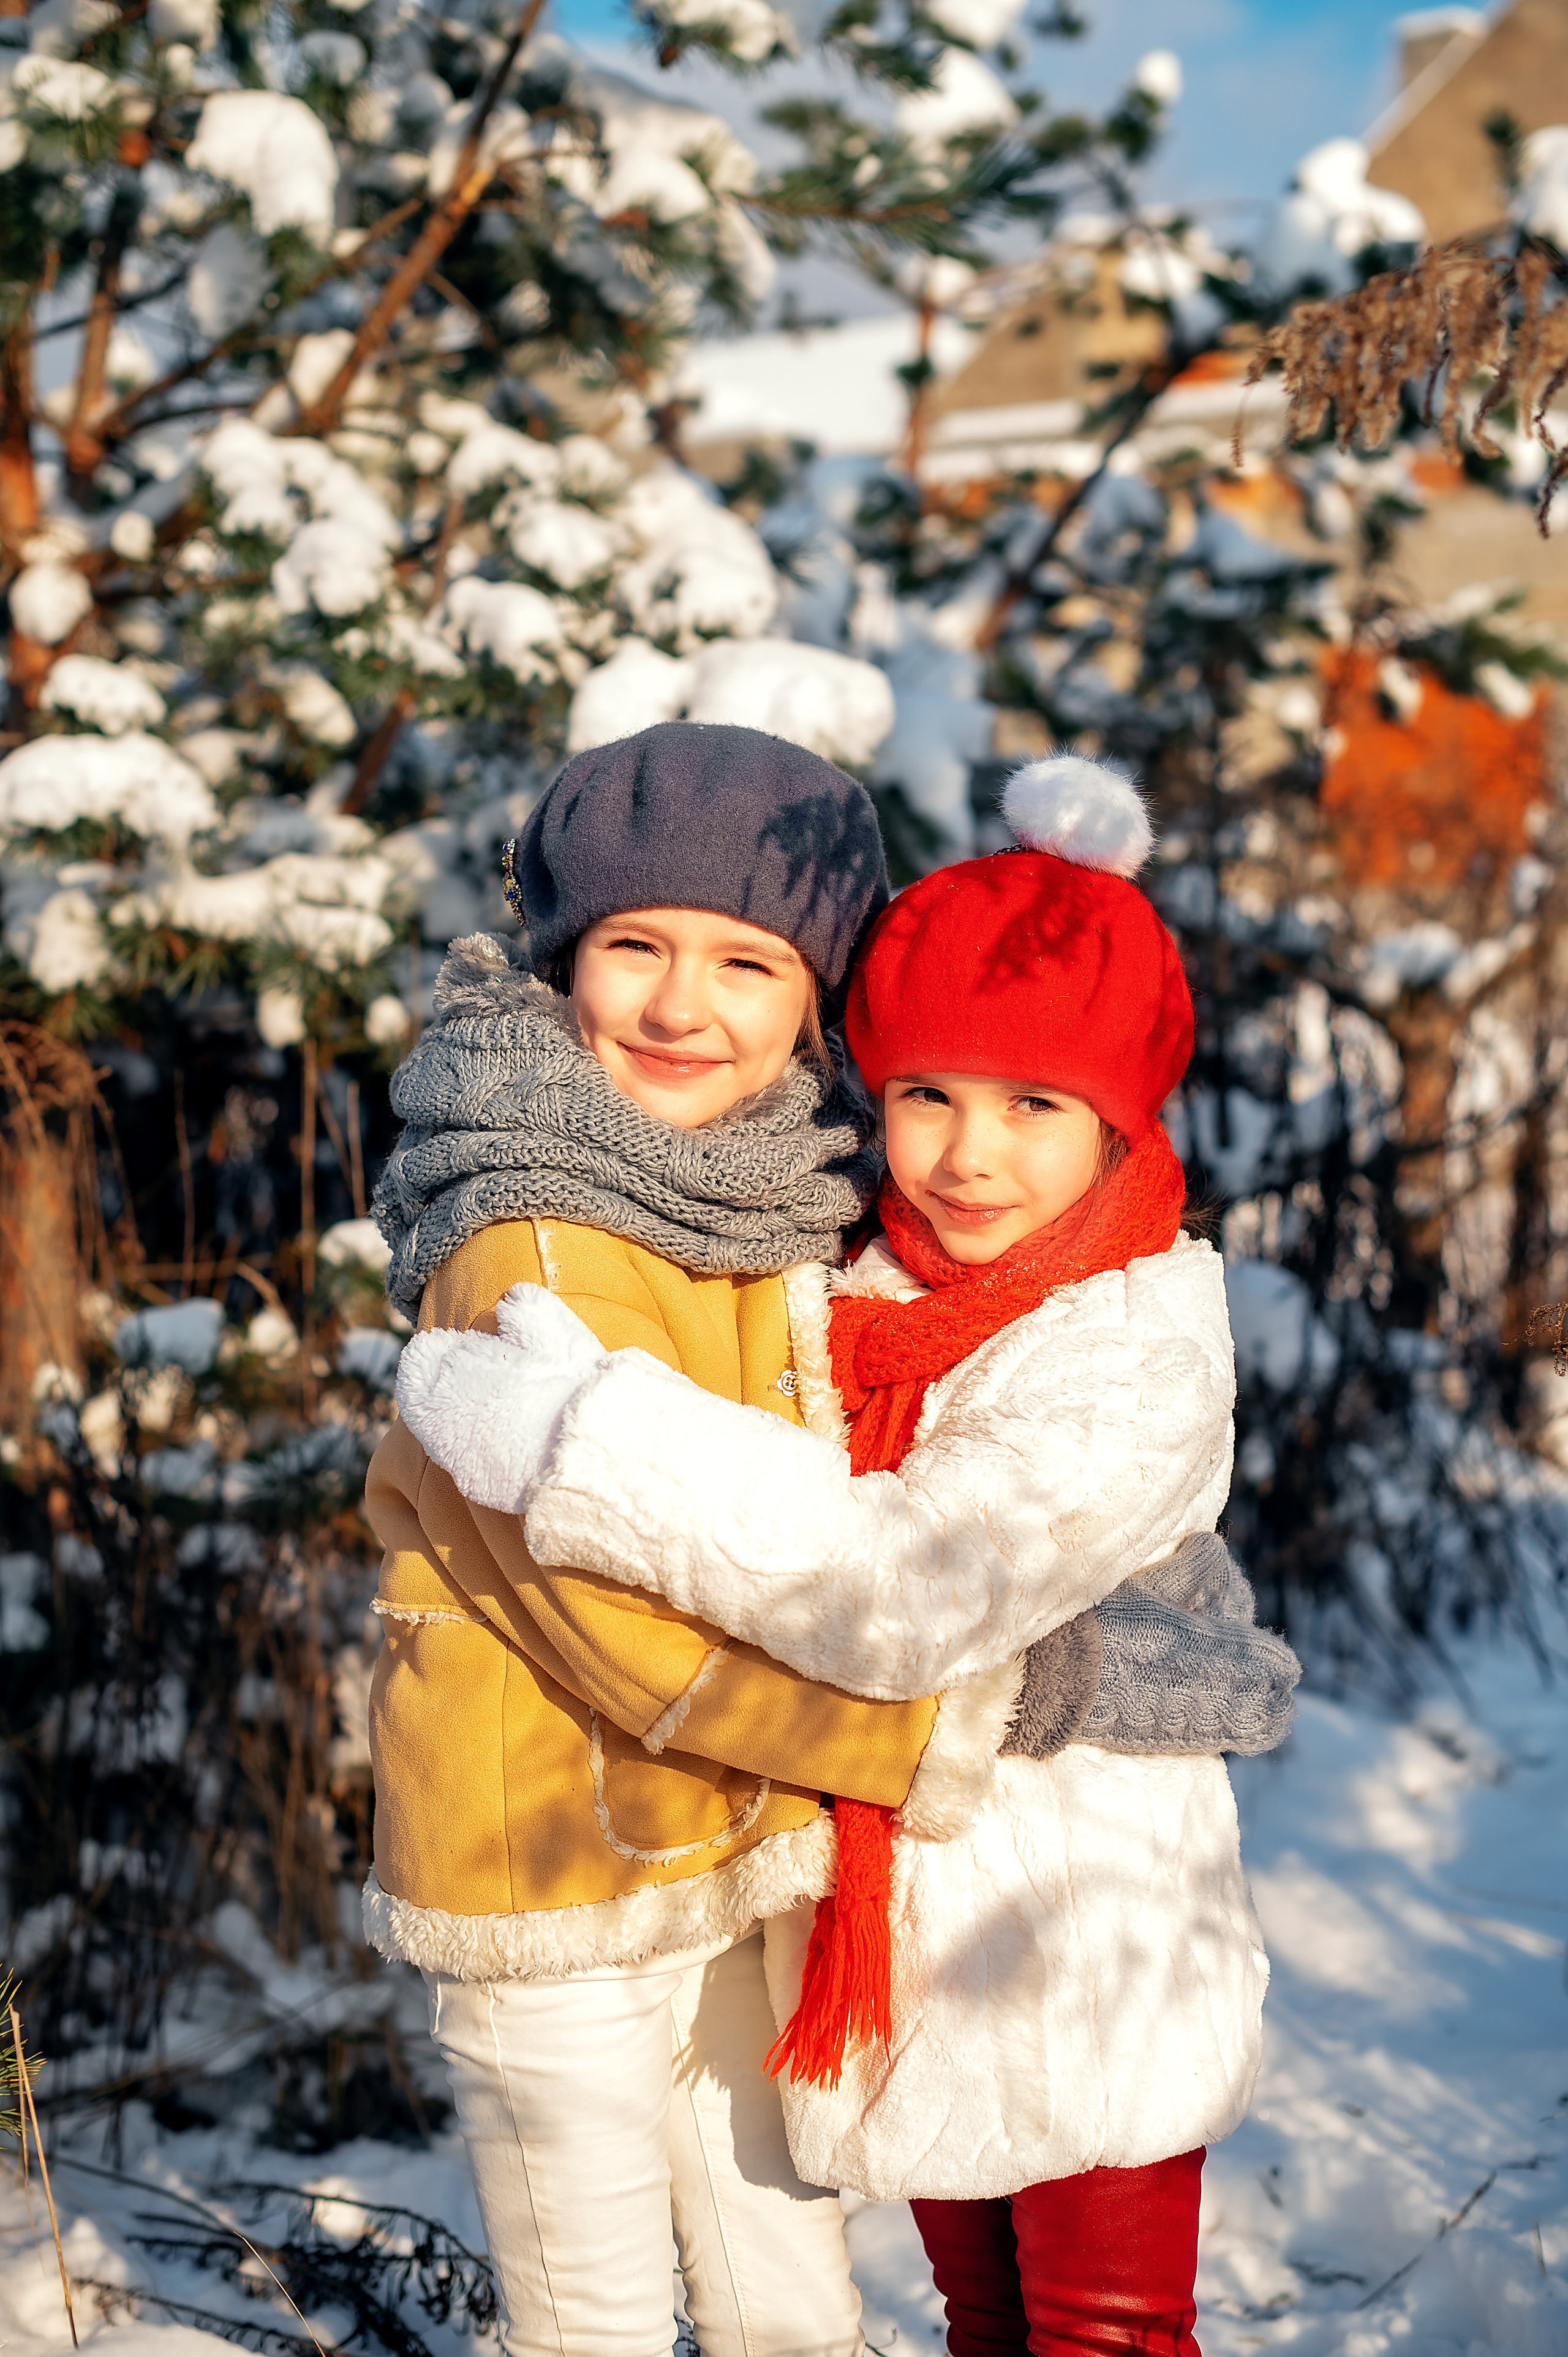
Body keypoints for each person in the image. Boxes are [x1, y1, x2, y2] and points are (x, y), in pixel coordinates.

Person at [395, 752, 1298, 2357]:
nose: (969, 1153)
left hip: (1081, 1938)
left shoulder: (1129, 1334)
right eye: (929, 1093)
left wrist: (589, 1441)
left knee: (1102, 2331)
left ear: (1119, 1123)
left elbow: (899, 1590)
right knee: (981, 2320)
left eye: (1038, 1106)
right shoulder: (862, 1272)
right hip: (907, 1953)